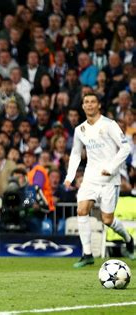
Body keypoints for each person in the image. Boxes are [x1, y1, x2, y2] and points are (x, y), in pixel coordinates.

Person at [64, 93, 134, 268]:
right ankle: (87, 253)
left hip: (110, 179)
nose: (89, 105)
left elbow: (125, 147)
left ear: (99, 105)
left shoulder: (109, 125)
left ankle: (128, 239)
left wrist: (111, 168)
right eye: (86, 102)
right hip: (90, 177)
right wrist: (70, 176)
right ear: (83, 106)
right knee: (82, 210)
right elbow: (75, 154)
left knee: (107, 220)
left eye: (92, 102)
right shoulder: (80, 130)